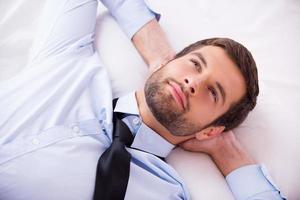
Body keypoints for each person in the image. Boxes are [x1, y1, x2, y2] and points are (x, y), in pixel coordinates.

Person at [0, 0, 285, 199]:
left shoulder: (165, 192)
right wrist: (155, 49)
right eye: (195, 64)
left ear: (210, 129)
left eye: (213, 93)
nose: (194, 82)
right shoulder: (69, 58)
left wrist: (228, 153)